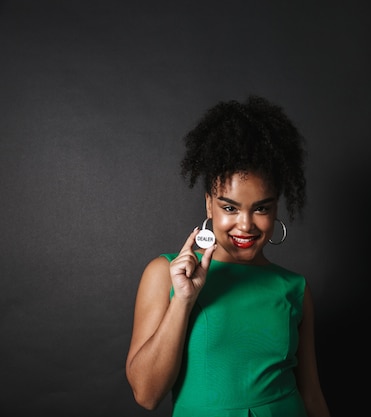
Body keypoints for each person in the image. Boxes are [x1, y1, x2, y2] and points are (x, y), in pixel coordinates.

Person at [125, 95, 332, 417]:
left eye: (261, 208)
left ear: (276, 207)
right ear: (209, 204)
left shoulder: (295, 288)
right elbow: (146, 395)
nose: (246, 224)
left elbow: (312, 395)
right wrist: (183, 300)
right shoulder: (164, 272)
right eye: (229, 208)